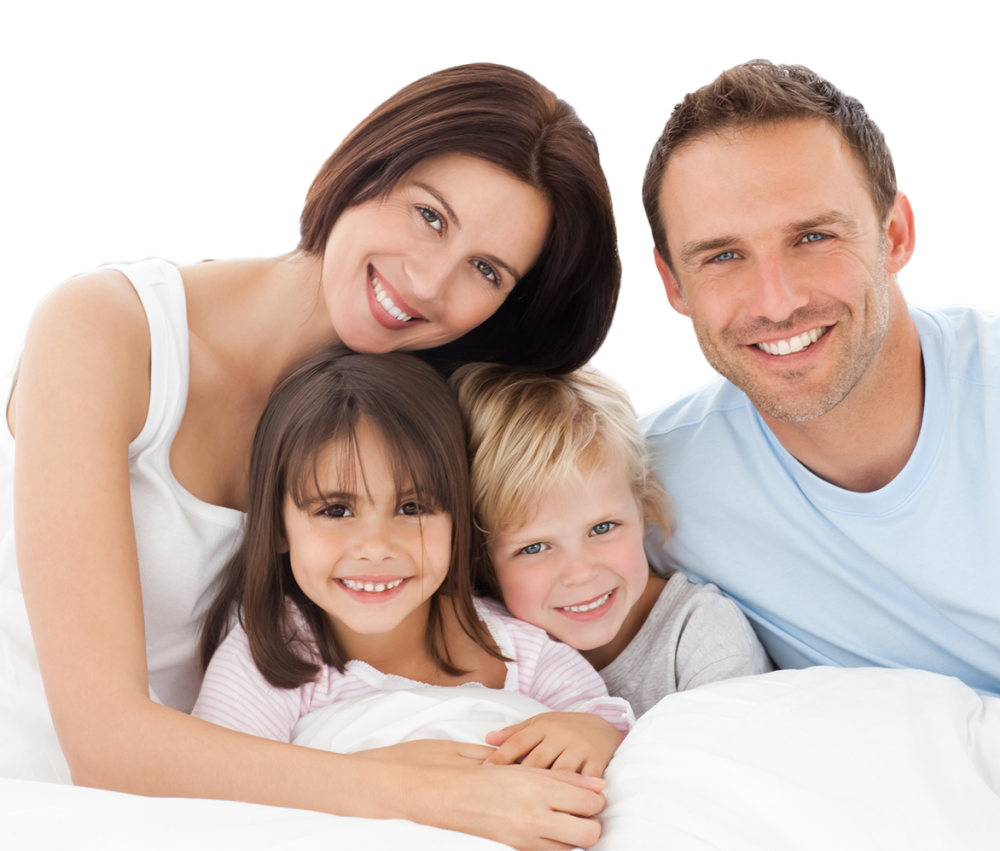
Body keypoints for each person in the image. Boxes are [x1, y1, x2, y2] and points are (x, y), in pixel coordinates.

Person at [0, 62, 621, 849]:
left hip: (222, 809)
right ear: (369, 165)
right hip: (35, 795)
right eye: (430, 216)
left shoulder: (400, 429)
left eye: (486, 270)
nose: (430, 280)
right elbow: (104, 740)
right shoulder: (105, 330)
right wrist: (409, 789)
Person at [637, 58, 1000, 706]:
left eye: (813, 236)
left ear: (895, 234)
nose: (777, 300)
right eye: (723, 256)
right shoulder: (646, 489)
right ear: (672, 283)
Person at [192, 350, 631, 777]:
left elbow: (604, 724)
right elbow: (216, 779)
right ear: (279, 527)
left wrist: (593, 731)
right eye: (336, 511)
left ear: (456, 516)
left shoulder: (517, 648)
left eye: (412, 506)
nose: (377, 547)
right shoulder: (273, 655)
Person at [451, 363, 771, 718]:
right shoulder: (489, 647)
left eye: (602, 528)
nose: (581, 573)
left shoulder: (701, 636)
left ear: (643, 505)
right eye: (534, 548)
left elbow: (725, 765)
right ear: (480, 559)